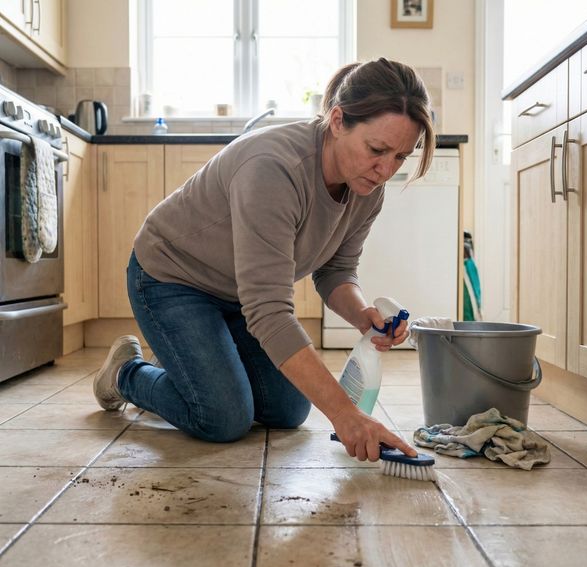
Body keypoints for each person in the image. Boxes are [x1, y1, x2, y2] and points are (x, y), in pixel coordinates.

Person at [93, 57, 435, 463]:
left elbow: (336, 270)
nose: (385, 170)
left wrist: (362, 314)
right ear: (339, 121)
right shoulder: (274, 168)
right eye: (377, 150)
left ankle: (194, 362)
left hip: (238, 294)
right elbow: (269, 311)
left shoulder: (366, 187)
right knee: (223, 418)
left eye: (400, 157)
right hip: (171, 279)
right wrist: (345, 415)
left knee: (287, 410)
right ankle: (125, 373)